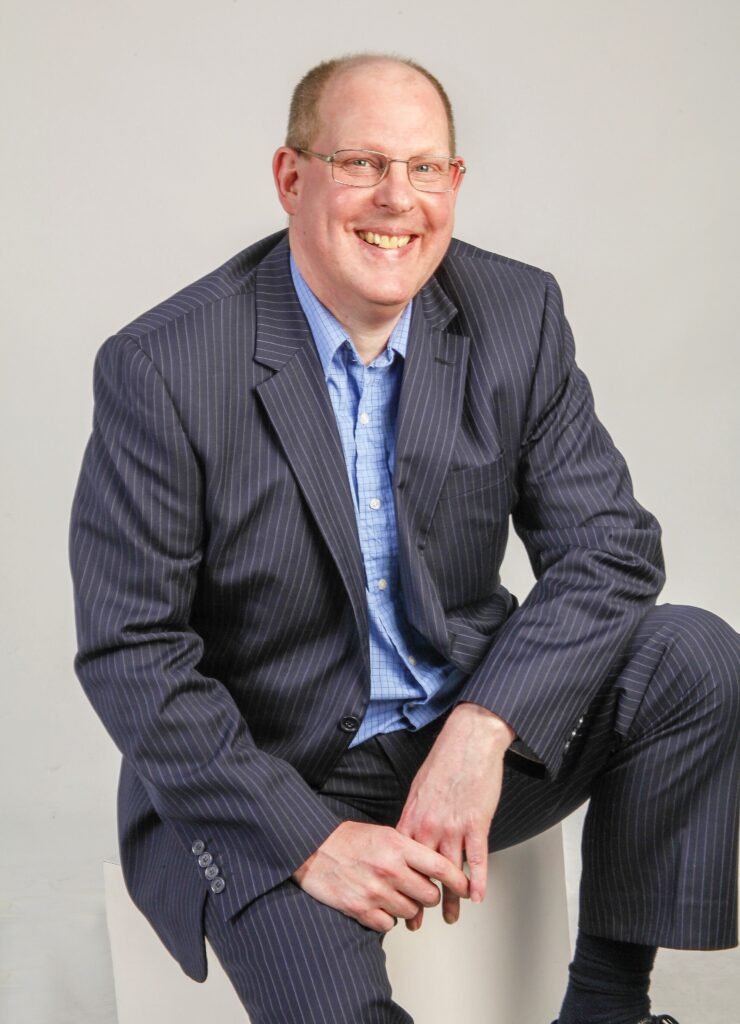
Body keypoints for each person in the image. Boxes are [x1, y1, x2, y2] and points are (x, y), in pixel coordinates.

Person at [69, 53, 738, 1024]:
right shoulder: (165, 366)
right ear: (291, 177)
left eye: (426, 168)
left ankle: (607, 1007)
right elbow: (132, 650)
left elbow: (609, 548)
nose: (398, 199)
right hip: (275, 771)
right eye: (362, 163)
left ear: (455, 182)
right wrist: (308, 839)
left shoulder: (514, 313)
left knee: (692, 656)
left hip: (457, 739)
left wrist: (483, 728)